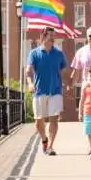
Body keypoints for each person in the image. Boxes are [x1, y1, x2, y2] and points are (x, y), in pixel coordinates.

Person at [26, 26, 67, 156]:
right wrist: (30, 83)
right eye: (50, 36)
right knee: (39, 121)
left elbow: (64, 71)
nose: (53, 38)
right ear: (43, 36)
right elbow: (28, 71)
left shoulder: (59, 54)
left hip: (55, 91)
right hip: (39, 91)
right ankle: (44, 139)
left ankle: (50, 146)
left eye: (54, 36)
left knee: (54, 119)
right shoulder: (34, 53)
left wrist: (67, 84)